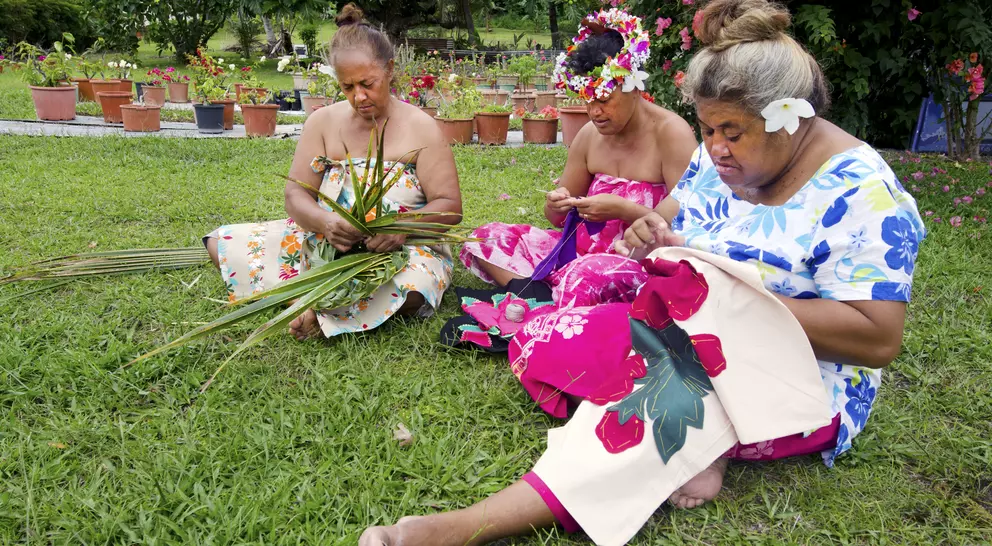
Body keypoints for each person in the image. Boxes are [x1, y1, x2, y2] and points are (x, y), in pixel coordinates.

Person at [360, 0, 925, 544]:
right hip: (689, 335)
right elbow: (679, 222)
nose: (716, 148)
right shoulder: (720, 155)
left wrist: (726, 297)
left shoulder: (864, 193)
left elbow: (877, 339)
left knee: (659, 402)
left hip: (792, 378)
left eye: (731, 131)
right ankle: (699, 446)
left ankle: (464, 528)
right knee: (541, 337)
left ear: (790, 118)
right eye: (707, 130)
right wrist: (658, 236)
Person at [204, 3, 462, 340]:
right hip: (323, 243)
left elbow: (450, 205)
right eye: (347, 87)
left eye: (368, 83)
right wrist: (325, 224)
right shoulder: (322, 122)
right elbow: (296, 196)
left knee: (413, 288)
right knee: (219, 243)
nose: (359, 96)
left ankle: (314, 307)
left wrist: (401, 228)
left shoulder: (421, 127)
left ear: (389, 69)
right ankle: (321, 298)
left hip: (398, 252)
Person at [459, 8, 697, 307]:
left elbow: (690, 225)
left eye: (604, 100)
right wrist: (555, 203)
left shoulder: (671, 134)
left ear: (634, 87)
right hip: (576, 252)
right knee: (485, 238)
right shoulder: (588, 135)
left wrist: (624, 210)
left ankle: (545, 296)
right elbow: (558, 219)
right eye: (587, 101)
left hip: (637, 262)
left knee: (585, 276)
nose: (595, 112)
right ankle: (541, 296)